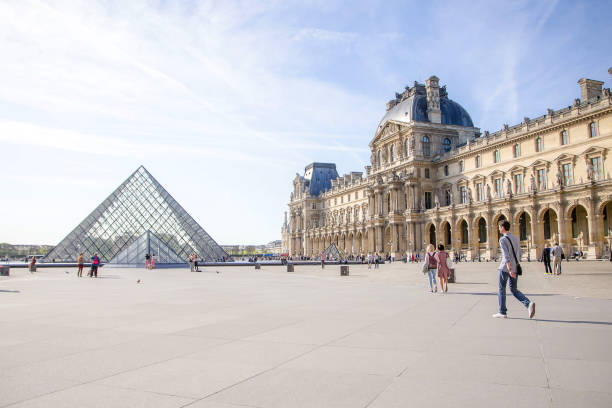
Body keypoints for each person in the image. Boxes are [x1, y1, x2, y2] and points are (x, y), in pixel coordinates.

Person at [493, 220, 535, 319]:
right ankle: (528, 304)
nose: (499, 229)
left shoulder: (502, 239)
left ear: (502, 227)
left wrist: (509, 268)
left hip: (505, 268)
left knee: (501, 289)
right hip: (515, 267)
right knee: (514, 289)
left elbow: (505, 255)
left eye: (499, 227)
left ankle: (502, 312)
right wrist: (514, 266)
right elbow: (519, 253)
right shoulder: (516, 238)